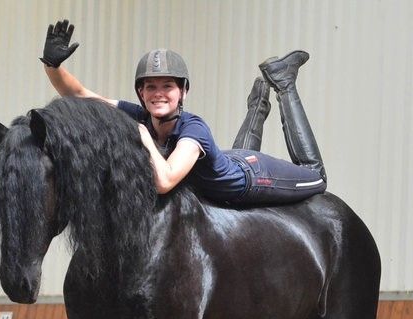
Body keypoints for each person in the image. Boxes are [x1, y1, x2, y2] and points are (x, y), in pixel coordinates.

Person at [39, 19, 326, 206]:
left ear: (183, 93)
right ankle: (257, 102)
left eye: (168, 86)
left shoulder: (193, 130)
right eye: (150, 87)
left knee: (317, 177)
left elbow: (164, 182)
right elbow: (79, 95)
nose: (159, 93)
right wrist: (52, 66)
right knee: (231, 157)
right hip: (226, 163)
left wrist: (142, 136)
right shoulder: (139, 114)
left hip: (252, 177)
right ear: (141, 93)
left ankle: (284, 82)